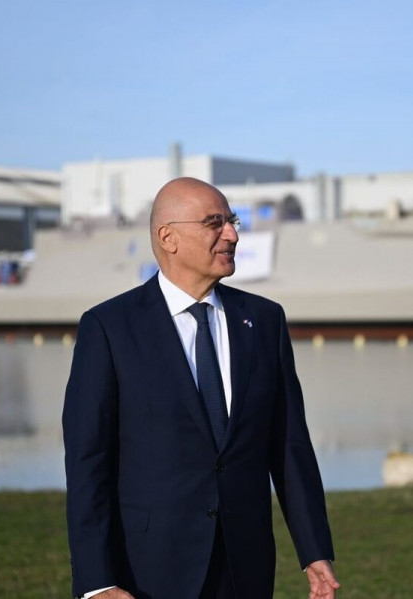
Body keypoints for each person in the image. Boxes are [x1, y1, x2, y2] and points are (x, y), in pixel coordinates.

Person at [63, 177, 339, 599]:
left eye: (231, 221)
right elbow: (88, 462)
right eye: (214, 223)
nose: (232, 234)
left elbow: (289, 446)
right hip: (148, 572)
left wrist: (314, 549)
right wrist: (97, 581)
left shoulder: (264, 321)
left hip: (245, 570)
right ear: (168, 238)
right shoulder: (109, 328)